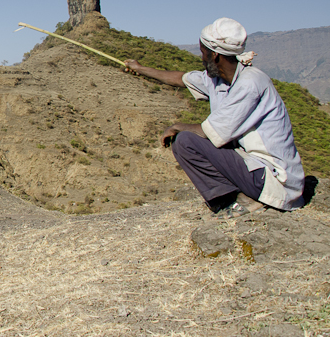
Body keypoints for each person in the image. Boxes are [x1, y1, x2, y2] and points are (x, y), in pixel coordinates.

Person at [124, 17, 304, 217]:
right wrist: (140, 69)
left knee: (185, 141)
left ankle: (239, 199)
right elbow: (180, 78)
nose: (201, 58)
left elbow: (211, 132)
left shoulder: (250, 83)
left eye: (203, 53)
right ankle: (237, 195)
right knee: (189, 140)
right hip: (254, 169)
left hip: (275, 180)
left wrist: (176, 127)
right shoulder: (218, 79)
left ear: (215, 55)